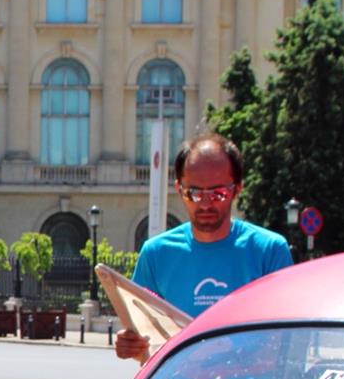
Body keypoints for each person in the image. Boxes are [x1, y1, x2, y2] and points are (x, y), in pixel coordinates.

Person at [115, 134, 293, 363]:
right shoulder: (155, 254)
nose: (206, 204)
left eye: (218, 193)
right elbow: (145, 340)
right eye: (194, 193)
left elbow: (283, 340)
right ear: (179, 189)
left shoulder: (269, 250)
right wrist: (131, 345)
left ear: (237, 188)